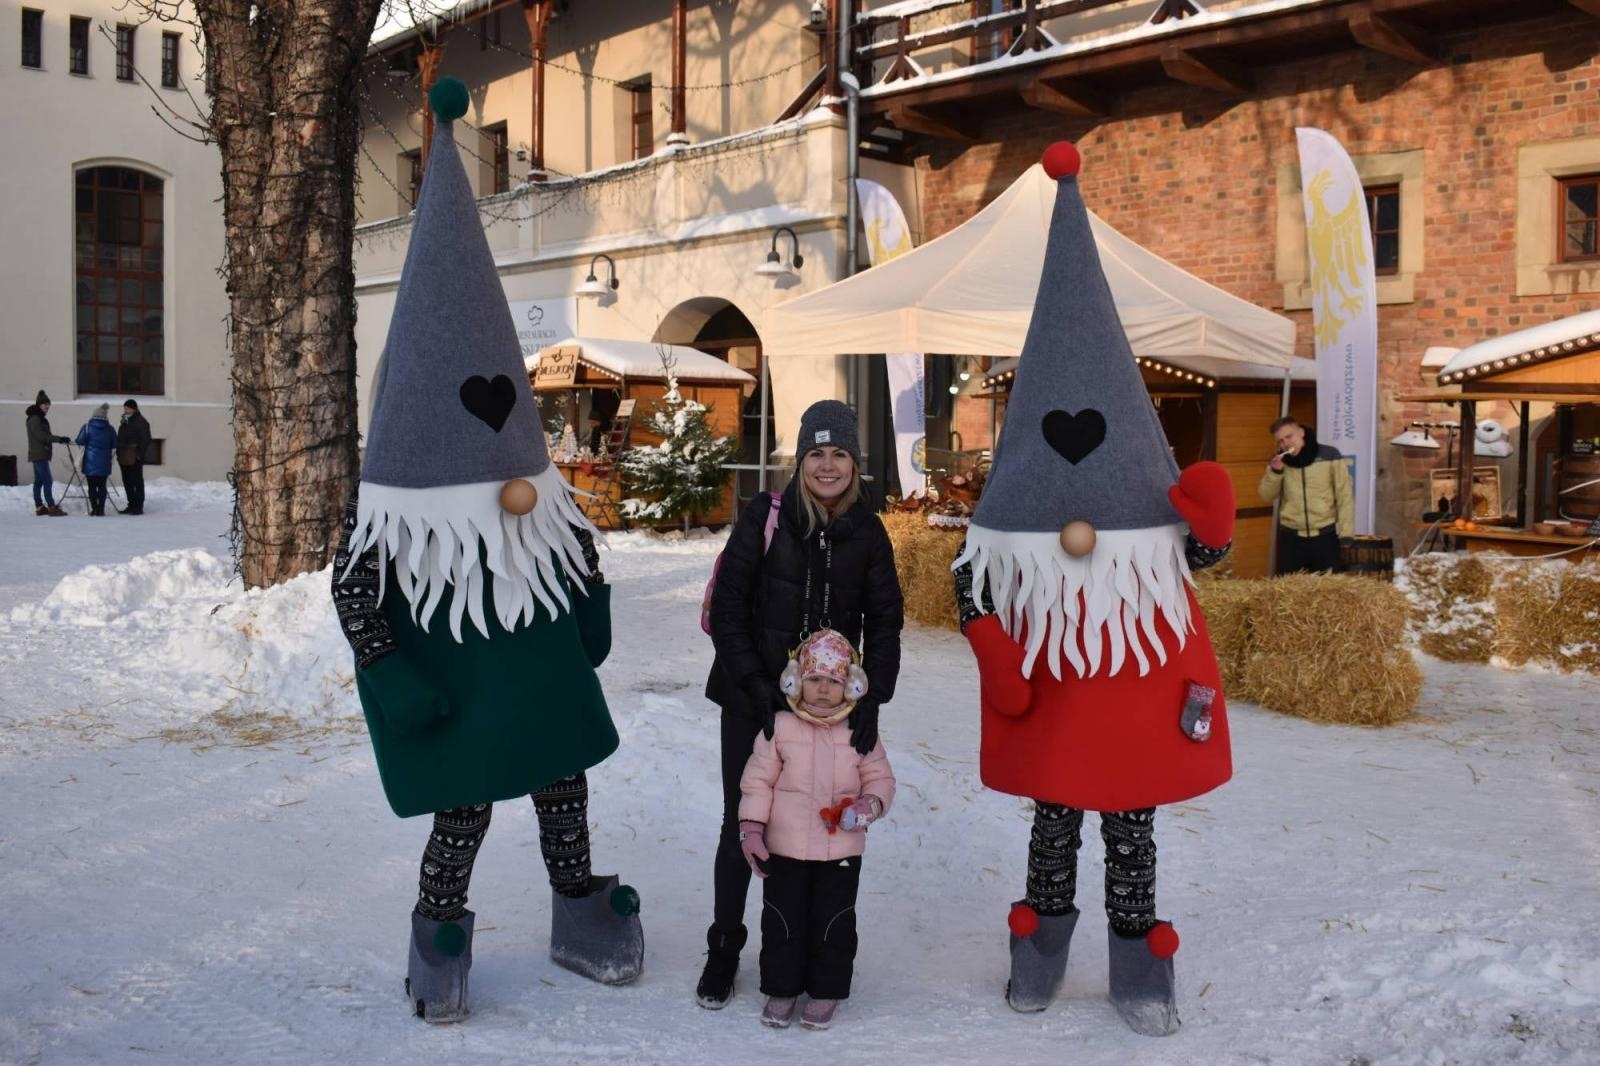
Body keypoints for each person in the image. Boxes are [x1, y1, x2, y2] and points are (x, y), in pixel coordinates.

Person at [327, 78, 641, 1025]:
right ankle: (441, 933)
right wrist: (392, 677)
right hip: (459, 691)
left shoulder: (537, 506)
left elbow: (578, 558)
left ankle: (578, 908)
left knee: (563, 787)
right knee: (461, 812)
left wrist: (590, 608)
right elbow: (355, 597)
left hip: (534, 681)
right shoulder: (394, 528)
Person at [952, 142, 1235, 1037]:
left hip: (1135, 698)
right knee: (1052, 826)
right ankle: (1038, 957)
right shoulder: (1014, 529)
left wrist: (1214, 532)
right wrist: (994, 649)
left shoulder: (1148, 535)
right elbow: (970, 581)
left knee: (1132, 832)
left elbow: (1193, 568)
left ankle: (1138, 967)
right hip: (1055, 696)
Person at [699, 399, 904, 1010]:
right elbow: (731, 608)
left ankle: (811, 951)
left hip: (830, 706)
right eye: (816, 453)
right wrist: (757, 687)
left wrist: (875, 698)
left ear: (855, 463)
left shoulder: (869, 531)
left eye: (839, 453)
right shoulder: (766, 514)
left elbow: (885, 622)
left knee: (821, 820)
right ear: (800, 459)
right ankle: (725, 946)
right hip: (753, 699)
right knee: (745, 818)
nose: (827, 465)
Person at [737, 628, 895, 1030]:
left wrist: (867, 807)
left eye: (834, 682)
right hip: (785, 847)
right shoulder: (779, 728)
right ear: (796, 681)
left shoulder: (859, 732)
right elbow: (757, 781)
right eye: (815, 680)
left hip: (839, 850)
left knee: (834, 919)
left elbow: (880, 780)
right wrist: (752, 828)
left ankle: (826, 989)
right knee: (781, 918)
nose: (824, 690)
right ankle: (781, 986)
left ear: (852, 686)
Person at [1257, 415, 1354, 574]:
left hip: (1324, 537)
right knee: (1290, 594)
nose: (1286, 443)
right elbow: (1265, 495)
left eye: (1289, 436)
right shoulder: (1280, 462)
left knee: (1327, 592)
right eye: (1280, 441)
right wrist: (1275, 472)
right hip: (1291, 540)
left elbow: (1344, 496)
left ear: (1301, 432)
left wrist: (1346, 534)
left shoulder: (1330, 455)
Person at [25, 390, 69, 517]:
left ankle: (39, 507)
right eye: (45, 404)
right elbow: (42, 436)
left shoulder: (40, 418)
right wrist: (59, 439)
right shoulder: (35, 419)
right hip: (39, 454)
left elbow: (45, 436)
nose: (47, 407)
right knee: (47, 480)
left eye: (48, 404)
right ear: (39, 405)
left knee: (39, 481)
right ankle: (51, 507)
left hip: (40, 453)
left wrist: (58, 439)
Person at [75, 403, 118, 516]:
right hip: (104, 462)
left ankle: (95, 509)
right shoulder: (110, 429)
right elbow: (115, 444)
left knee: (92, 487)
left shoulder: (87, 427)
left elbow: (79, 441)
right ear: (105, 417)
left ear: (93, 416)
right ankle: (101, 509)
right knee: (102, 486)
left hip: (90, 462)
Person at [116, 399, 153, 515]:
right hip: (124, 455)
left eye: (127, 408)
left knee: (136, 481)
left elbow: (146, 439)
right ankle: (131, 504)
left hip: (135, 456)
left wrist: (139, 455)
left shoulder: (141, 422)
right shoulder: (124, 421)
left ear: (134, 409)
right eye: (124, 408)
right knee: (127, 481)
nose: (125, 410)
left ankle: (138, 506)